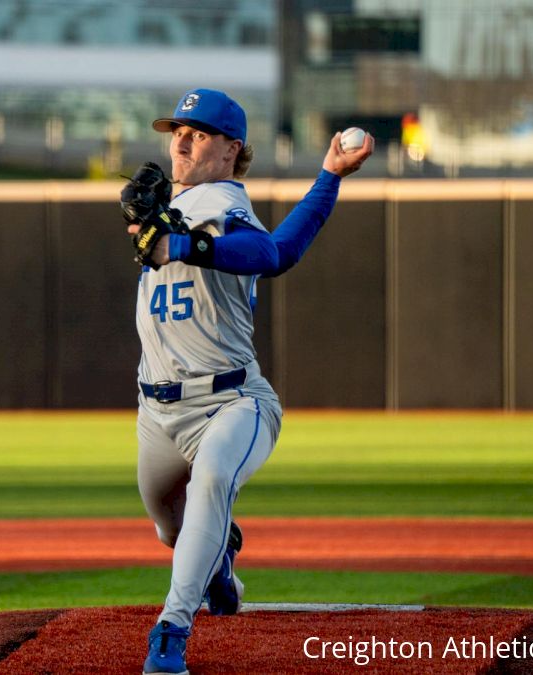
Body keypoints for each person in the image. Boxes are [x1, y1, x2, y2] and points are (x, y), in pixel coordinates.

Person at [123, 88, 373, 675]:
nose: (181, 140)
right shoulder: (171, 208)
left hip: (231, 402)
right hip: (156, 413)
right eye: (176, 130)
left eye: (199, 132)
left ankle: (171, 633)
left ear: (232, 149)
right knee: (170, 527)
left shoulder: (221, 203)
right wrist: (153, 226)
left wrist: (180, 242)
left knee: (211, 480)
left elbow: (270, 251)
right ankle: (220, 560)